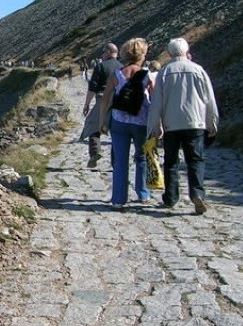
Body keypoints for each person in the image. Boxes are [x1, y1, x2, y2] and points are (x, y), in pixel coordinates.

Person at [147, 37, 219, 215]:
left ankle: (171, 197)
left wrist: (154, 126)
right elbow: (209, 99)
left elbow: (157, 103)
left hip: (171, 124)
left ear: (170, 53)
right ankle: (197, 193)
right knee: (195, 160)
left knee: (171, 162)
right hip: (195, 122)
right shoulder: (198, 70)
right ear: (186, 51)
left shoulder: (164, 72)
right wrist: (212, 122)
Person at [99, 38, 153, 209]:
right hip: (141, 121)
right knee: (142, 157)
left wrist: (102, 122)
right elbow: (156, 99)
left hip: (119, 121)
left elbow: (106, 99)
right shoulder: (147, 75)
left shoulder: (117, 74)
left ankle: (118, 199)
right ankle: (143, 193)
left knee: (120, 160)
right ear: (142, 55)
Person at [80, 43, 121, 168]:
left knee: (93, 125)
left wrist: (86, 104)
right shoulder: (122, 67)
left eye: (103, 52)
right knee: (116, 132)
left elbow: (93, 87)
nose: (102, 55)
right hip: (118, 101)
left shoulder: (101, 66)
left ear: (108, 52)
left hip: (102, 99)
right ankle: (116, 162)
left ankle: (95, 152)